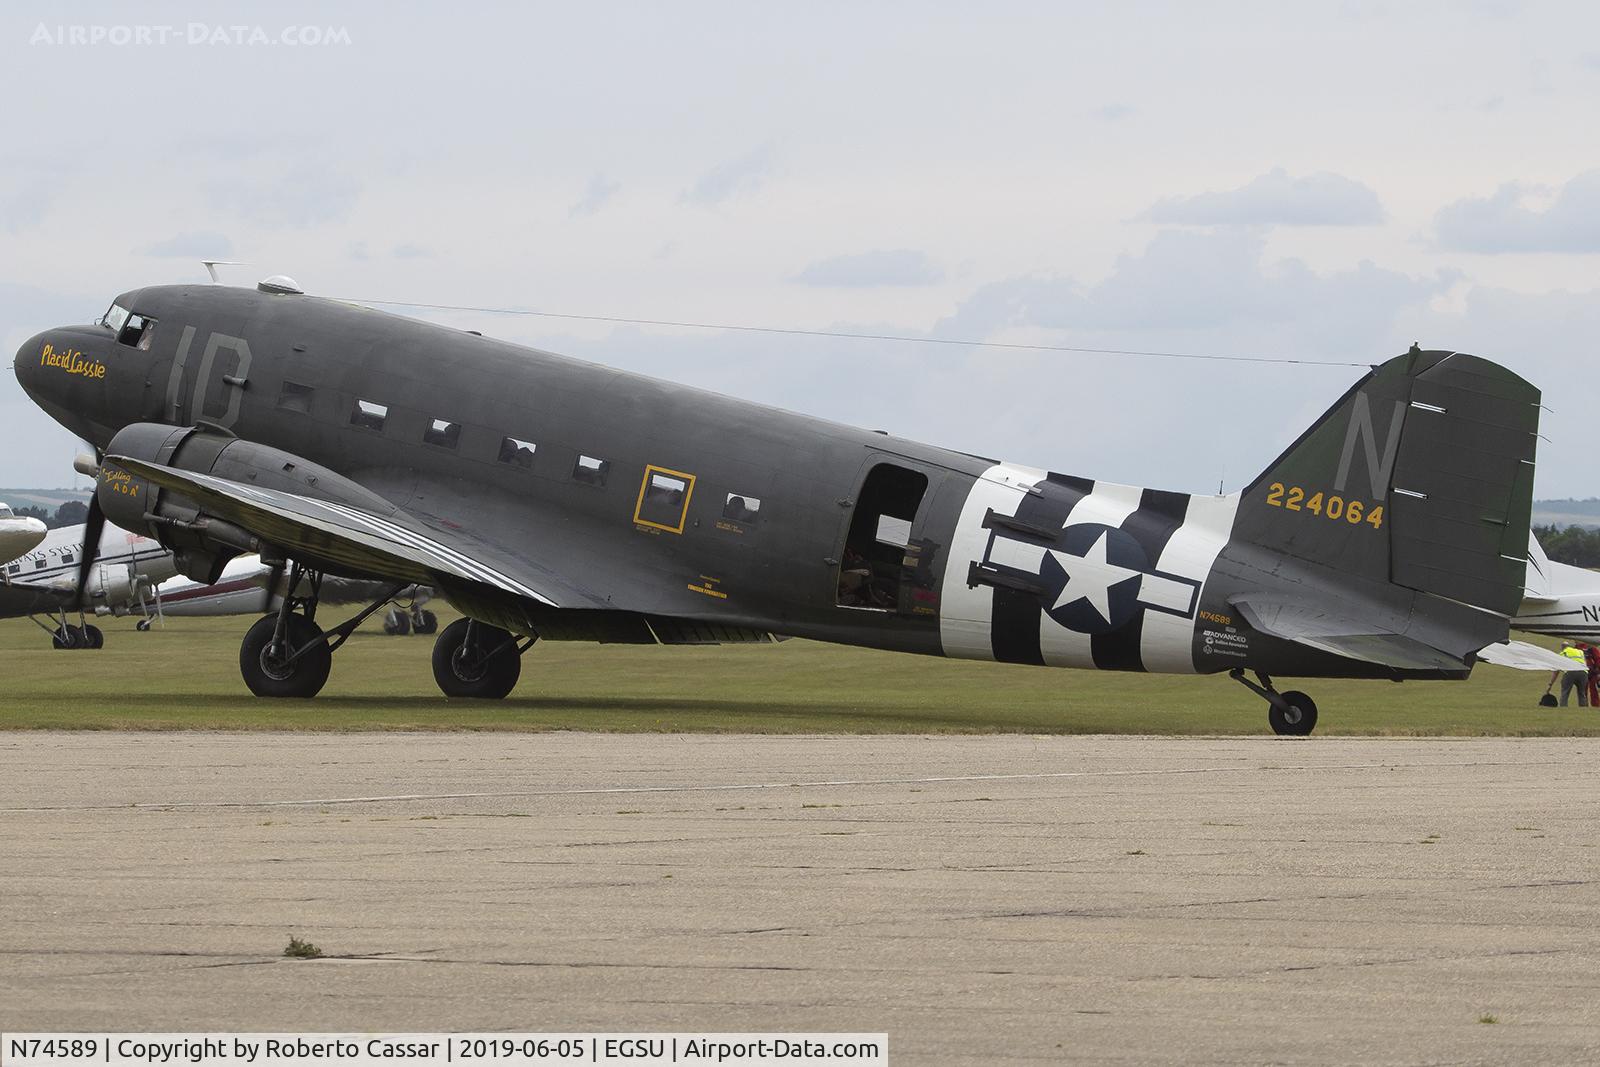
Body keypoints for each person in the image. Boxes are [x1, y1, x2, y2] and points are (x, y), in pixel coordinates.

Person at [1553, 642, 1590, 707]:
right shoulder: (1579, 651)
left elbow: (1556, 670)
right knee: (1582, 693)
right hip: (1583, 672)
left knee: (1565, 692)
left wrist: (1551, 683)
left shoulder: (1563, 653)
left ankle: (1563, 708)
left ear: (1562, 647)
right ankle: (1583, 709)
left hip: (1570, 672)